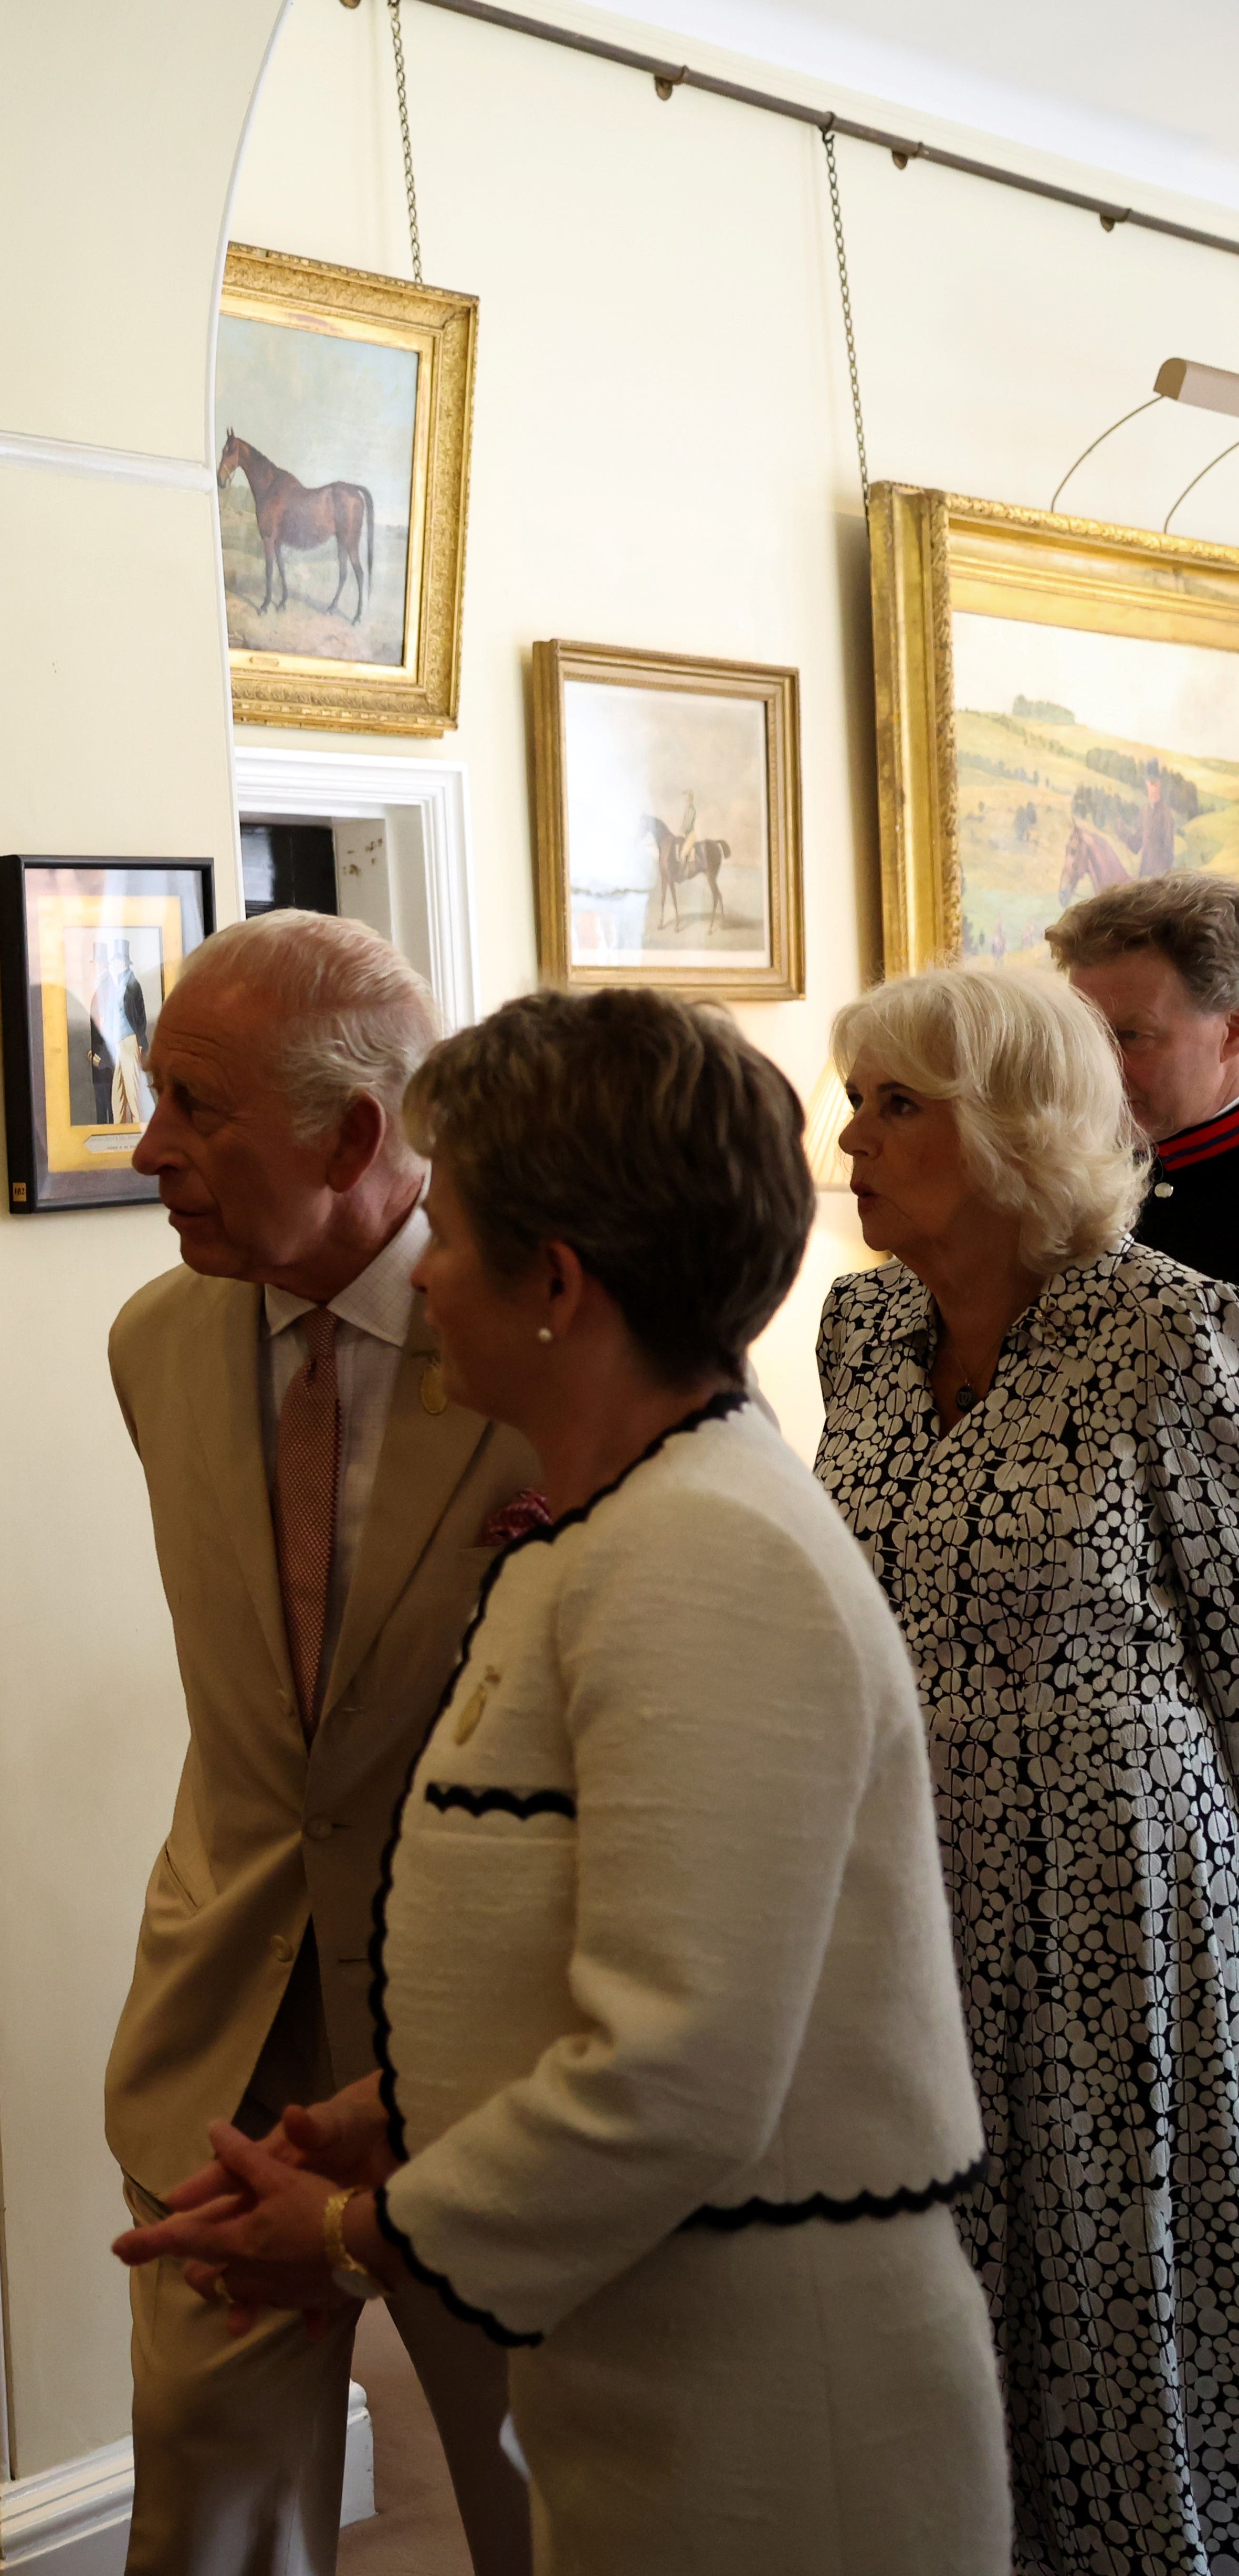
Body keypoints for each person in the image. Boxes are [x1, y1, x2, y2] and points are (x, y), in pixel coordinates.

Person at [120, 985, 1006, 2575]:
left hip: (762, 2389)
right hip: (645, 2358)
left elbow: (676, 2069)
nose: (421, 1277)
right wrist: (397, 2116)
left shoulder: (710, 1560)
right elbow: (604, 1954)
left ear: (554, 1283)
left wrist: (344, 2236)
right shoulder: (610, 1533)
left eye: (444, 1235)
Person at [102, 910, 537, 2576]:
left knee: (524, 2497)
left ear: (354, 1134)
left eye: (195, 1109)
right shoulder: (152, 1345)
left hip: (474, 2039)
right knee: (200, 2511)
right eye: (154, 1096)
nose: (151, 1151)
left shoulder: (547, 1342)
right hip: (221, 2025)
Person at [816, 962, 1239, 2574]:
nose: (846, 1138)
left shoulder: (1167, 1333)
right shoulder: (855, 1333)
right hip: (906, 1892)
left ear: (1006, 1127)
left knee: (1110, 2286)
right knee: (939, 2288)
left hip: (1115, 1912)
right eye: (853, 1100)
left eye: (891, 1105)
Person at [1049, 870, 1239, 1282]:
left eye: (1131, 1036)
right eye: (1087, 1034)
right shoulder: (1059, 1170)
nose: (1099, 1067)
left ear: (1232, 1033)